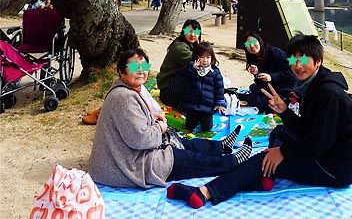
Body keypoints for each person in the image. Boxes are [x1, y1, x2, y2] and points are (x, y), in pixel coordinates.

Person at [168, 34, 352, 209]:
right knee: (279, 132)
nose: (297, 65)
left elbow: (317, 143)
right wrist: (285, 111)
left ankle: (203, 193)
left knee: (263, 158)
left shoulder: (328, 93)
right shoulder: (312, 85)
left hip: (336, 167)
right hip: (326, 152)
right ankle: (266, 175)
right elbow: (308, 128)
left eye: (303, 59)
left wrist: (282, 153)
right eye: (293, 59)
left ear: (318, 61)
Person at [88, 48, 253, 189]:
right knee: (181, 157)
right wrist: (160, 128)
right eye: (134, 67)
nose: (140, 71)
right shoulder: (123, 97)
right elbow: (140, 140)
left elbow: (130, 121)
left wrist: (149, 116)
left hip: (125, 159)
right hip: (125, 167)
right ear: (121, 72)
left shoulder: (126, 89)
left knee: (183, 143)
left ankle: (220, 146)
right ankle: (231, 162)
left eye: (144, 66)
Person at [237, 31, 296, 112]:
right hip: (271, 87)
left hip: (286, 86)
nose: (251, 46)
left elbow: (291, 73)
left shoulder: (274, 52)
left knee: (260, 101)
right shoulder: (253, 58)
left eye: (253, 42)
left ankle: (238, 96)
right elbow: (261, 82)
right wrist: (257, 74)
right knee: (254, 88)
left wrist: (271, 77)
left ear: (259, 41)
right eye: (248, 44)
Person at [181, 42, 226, 132]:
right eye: (201, 57)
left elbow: (219, 89)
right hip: (192, 105)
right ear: (196, 57)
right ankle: (194, 121)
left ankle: (203, 121)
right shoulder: (192, 68)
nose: (205, 60)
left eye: (208, 57)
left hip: (207, 106)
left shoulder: (215, 72)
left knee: (207, 128)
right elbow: (184, 77)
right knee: (189, 126)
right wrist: (192, 68)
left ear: (212, 58)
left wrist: (219, 103)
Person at [156, 19, 202, 108]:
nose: (192, 35)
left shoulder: (189, 44)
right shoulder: (180, 48)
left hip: (170, 89)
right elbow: (200, 63)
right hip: (169, 93)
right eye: (189, 31)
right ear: (183, 31)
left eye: (196, 31)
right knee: (193, 70)